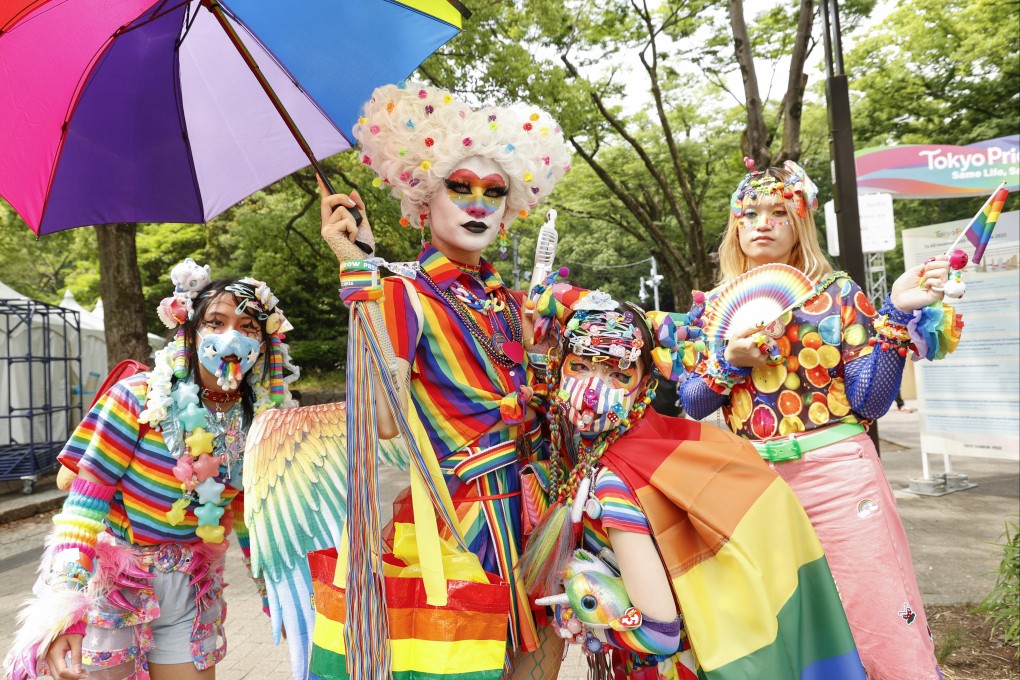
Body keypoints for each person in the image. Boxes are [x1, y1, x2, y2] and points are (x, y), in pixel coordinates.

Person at [319, 81, 571, 675]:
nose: (478, 202)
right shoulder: (401, 293)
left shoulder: (509, 301)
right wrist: (358, 273)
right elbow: (382, 421)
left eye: (494, 191)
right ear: (423, 200)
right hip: (463, 526)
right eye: (460, 187)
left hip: (536, 513)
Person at [678, 159, 961, 680]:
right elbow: (693, 402)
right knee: (782, 623)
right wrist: (729, 364)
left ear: (800, 222)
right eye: (749, 212)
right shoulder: (713, 308)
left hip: (839, 473)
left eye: (779, 211)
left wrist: (896, 316)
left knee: (877, 613)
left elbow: (871, 401)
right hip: (754, 481)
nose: (762, 221)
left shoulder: (836, 292)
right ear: (735, 226)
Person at [519, 291, 866, 679]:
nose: (593, 394)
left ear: (645, 384)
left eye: (618, 375)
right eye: (579, 367)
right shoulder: (660, 444)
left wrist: (582, 607)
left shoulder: (611, 484)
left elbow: (657, 632)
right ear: (557, 368)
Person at [4, 260, 298, 680]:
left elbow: (250, 515)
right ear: (191, 332)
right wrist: (63, 611)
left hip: (191, 586)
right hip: (113, 588)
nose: (232, 336)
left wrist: (275, 593)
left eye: (250, 326)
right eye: (215, 322)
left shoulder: (262, 421)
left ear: (265, 344)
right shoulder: (137, 398)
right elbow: (83, 509)